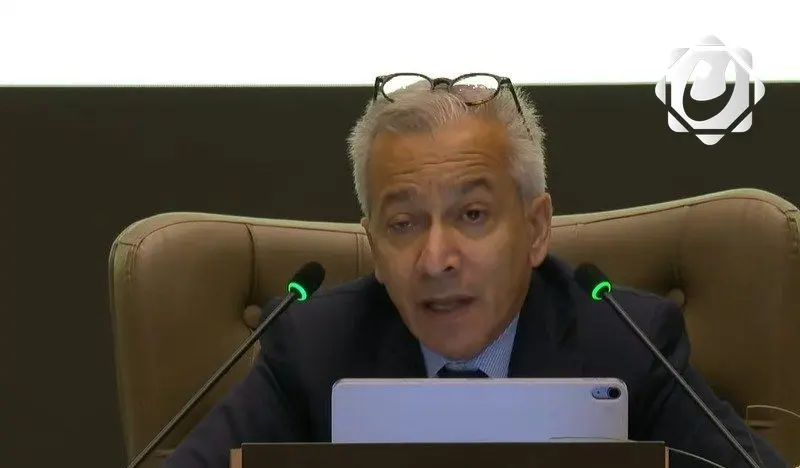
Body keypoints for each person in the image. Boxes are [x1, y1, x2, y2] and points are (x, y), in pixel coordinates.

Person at [162, 73, 790, 468]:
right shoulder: (312, 347)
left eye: (472, 215)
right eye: (403, 224)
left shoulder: (628, 344)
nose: (437, 259)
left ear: (536, 229)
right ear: (374, 246)